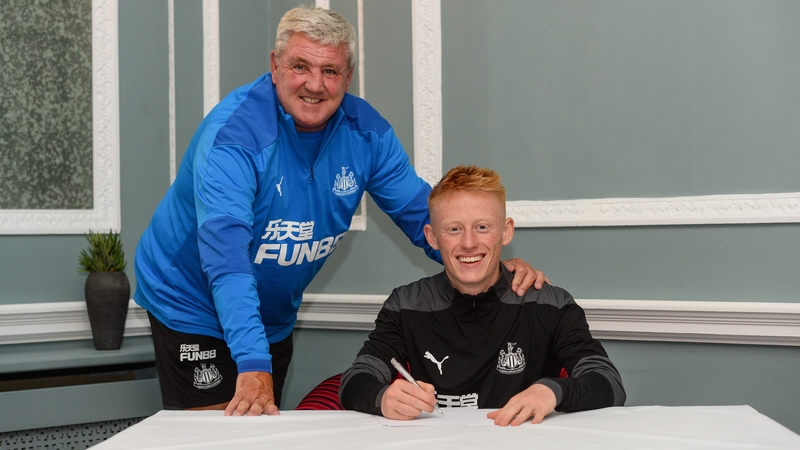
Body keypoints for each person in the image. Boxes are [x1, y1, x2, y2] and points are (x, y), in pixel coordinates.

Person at [133, 7, 547, 417]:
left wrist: (487, 264)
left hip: (271, 311)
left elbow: (423, 216)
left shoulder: (367, 133)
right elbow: (226, 260)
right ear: (275, 66)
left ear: (348, 78)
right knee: (226, 432)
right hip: (190, 299)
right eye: (300, 66)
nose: (315, 84)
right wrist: (254, 364)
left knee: (260, 429)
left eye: (330, 71)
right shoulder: (234, 139)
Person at [339, 165, 626, 426]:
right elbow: (356, 378)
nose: (468, 243)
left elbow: (608, 382)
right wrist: (382, 397)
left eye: (482, 227)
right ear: (432, 237)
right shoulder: (406, 304)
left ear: (506, 231)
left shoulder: (549, 303)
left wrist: (552, 391)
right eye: (453, 229)